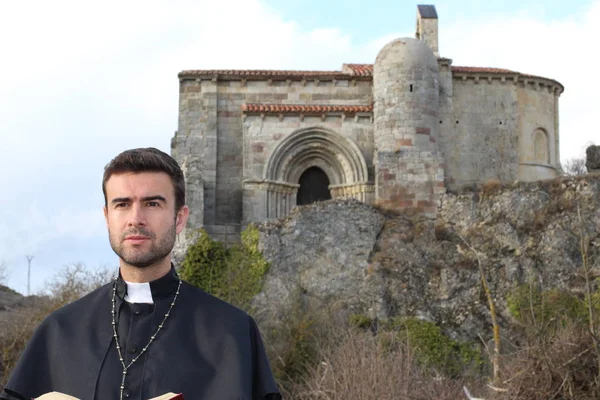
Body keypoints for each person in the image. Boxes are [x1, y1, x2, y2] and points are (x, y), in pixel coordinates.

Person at [1, 148, 281, 400]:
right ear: (107, 217)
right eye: (122, 204)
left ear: (180, 218)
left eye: (152, 203)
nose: (136, 218)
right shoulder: (59, 331)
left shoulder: (233, 332)